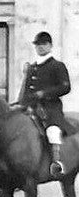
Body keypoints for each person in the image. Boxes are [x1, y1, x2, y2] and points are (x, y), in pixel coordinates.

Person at [18, 31, 72, 177]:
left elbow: (65, 87)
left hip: (50, 110)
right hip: (31, 109)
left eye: (43, 44)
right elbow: (26, 91)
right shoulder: (32, 67)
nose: (40, 47)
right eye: (37, 45)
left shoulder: (57, 65)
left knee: (52, 132)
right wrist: (21, 104)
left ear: (50, 46)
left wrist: (44, 93)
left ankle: (56, 164)